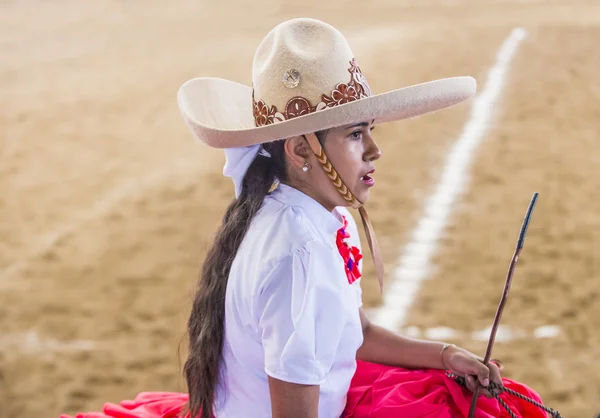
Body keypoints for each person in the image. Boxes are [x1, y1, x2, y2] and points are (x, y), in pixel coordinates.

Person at [63, 18, 547, 418]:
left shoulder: (313, 214)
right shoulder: (300, 254)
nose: (375, 150)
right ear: (301, 150)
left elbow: (354, 335)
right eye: (356, 134)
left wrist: (444, 355)